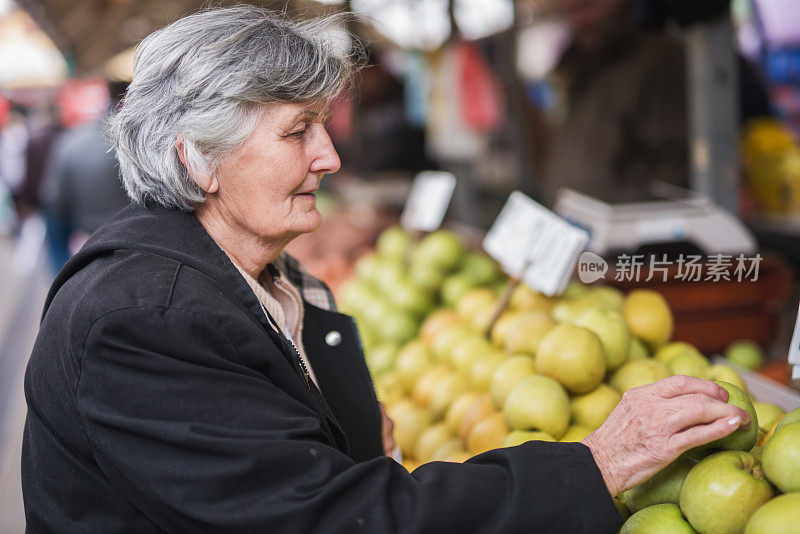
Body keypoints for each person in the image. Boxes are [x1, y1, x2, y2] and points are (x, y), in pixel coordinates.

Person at [22, 7, 750, 533]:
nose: (330, 159)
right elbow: (331, 520)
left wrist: (349, 433)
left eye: (324, 127)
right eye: (297, 132)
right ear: (196, 159)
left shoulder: (246, 274)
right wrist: (594, 464)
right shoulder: (147, 318)